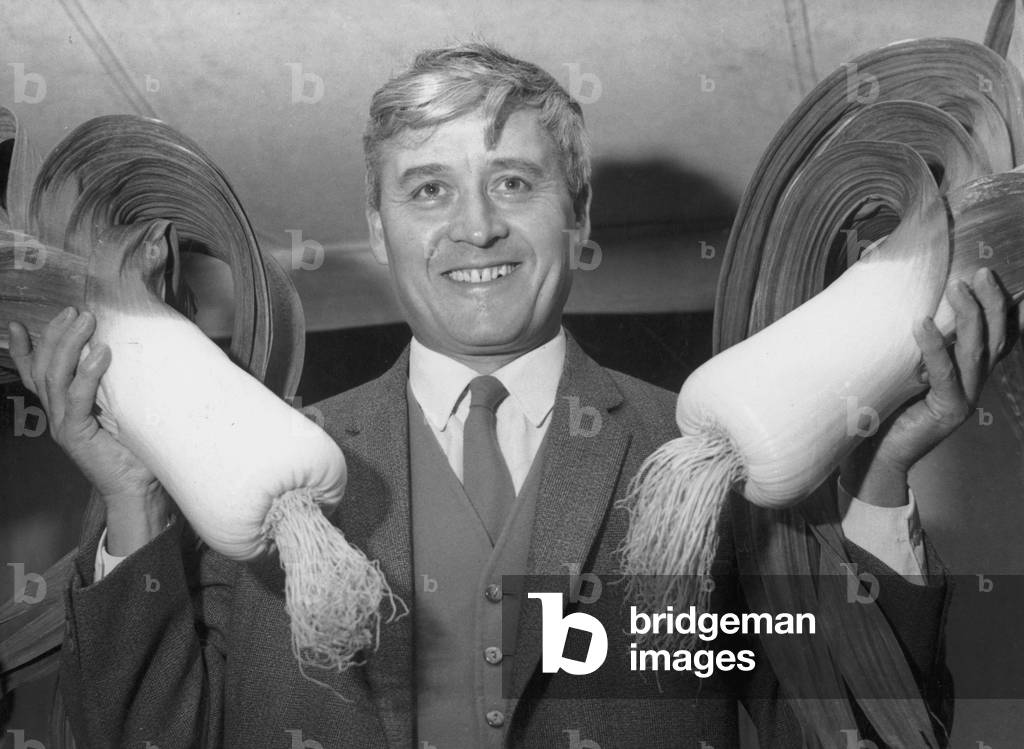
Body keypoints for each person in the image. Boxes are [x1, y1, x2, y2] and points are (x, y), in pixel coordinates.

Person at [7, 42, 1016, 748]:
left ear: (575, 210)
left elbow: (863, 733)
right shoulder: (236, 468)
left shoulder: (724, 465)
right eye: (429, 189)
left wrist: (881, 471)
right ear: (381, 221)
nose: (474, 228)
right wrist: (135, 498)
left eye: (516, 183)